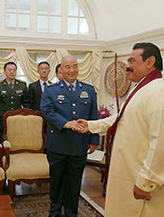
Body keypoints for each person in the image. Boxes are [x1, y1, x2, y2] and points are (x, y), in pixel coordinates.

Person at [77, 43, 164, 217]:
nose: (127, 66)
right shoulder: (141, 89)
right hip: (128, 174)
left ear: (150, 62)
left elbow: (162, 144)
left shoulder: (159, 93)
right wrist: (90, 125)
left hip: (145, 188)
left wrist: (146, 182)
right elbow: (120, 119)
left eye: (132, 61)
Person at [40, 55, 99, 217]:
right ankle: (55, 212)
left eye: (75, 66)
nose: (72, 70)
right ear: (61, 70)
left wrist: (94, 140)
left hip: (79, 145)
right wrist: (66, 123)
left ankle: (72, 213)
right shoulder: (51, 90)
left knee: (74, 183)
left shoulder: (88, 90)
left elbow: (94, 116)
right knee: (57, 182)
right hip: (57, 145)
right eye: (67, 67)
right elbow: (47, 111)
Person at [0, 62, 30, 142]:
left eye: (14, 70)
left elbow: (26, 103)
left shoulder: (22, 85)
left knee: (17, 141)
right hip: (2, 120)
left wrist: (27, 118)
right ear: (4, 72)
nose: (12, 72)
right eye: (9, 70)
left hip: (18, 119)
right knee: (2, 142)